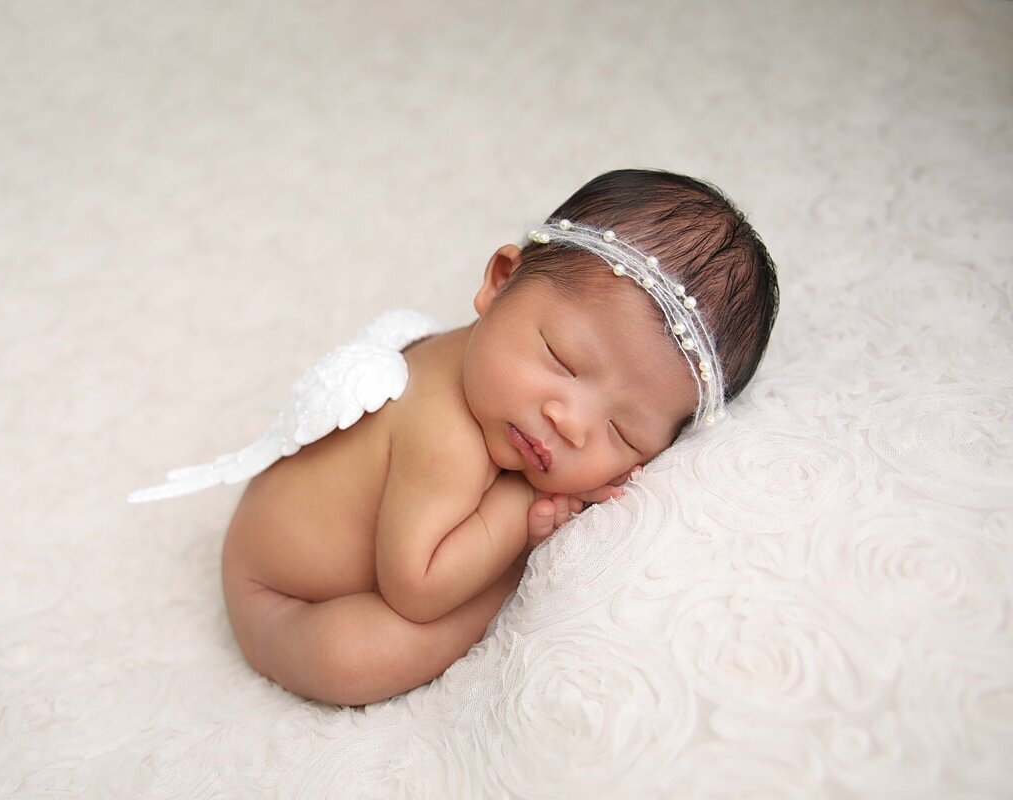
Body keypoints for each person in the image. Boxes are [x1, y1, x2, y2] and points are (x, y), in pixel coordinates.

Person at [136, 169, 779, 706]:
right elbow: (416, 590)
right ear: (500, 281)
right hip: (279, 599)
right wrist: (516, 521)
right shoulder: (443, 432)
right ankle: (501, 598)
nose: (570, 421)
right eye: (561, 358)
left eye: (623, 431)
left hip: (306, 545)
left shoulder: (491, 374)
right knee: (349, 661)